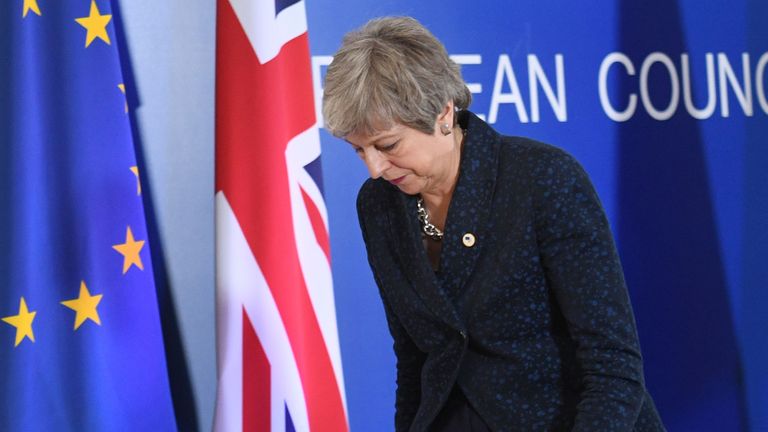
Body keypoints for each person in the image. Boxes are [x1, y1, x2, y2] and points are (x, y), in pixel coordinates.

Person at [322, 16, 666, 432]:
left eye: (387, 145)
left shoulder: (543, 179)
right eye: (358, 151)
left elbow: (613, 366)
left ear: (443, 113)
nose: (375, 168)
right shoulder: (378, 205)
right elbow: (415, 362)